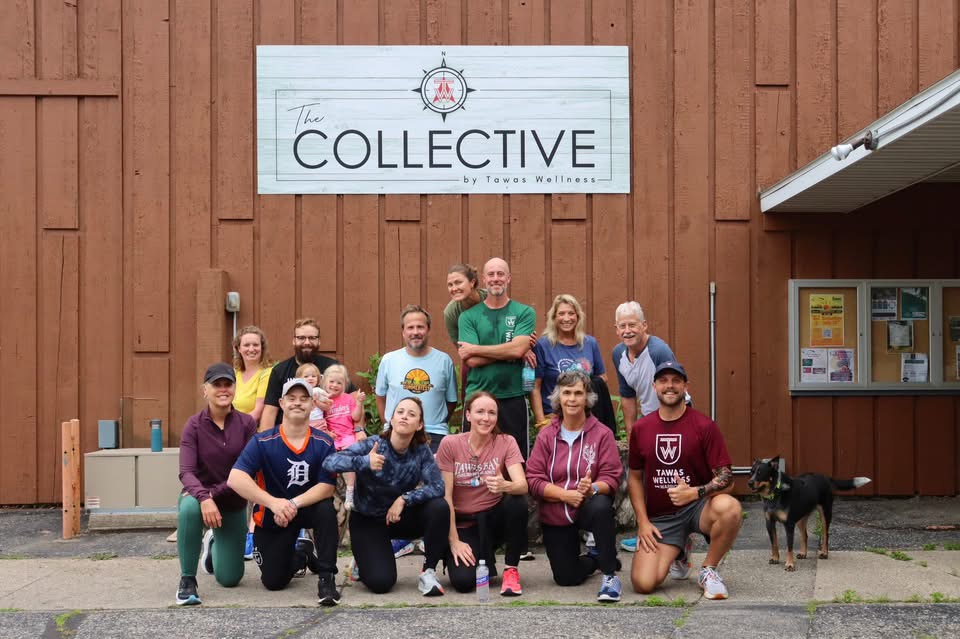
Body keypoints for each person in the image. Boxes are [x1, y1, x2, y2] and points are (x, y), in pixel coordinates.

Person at [627, 361, 741, 600]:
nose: (670, 386)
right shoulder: (641, 428)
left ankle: (708, 570)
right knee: (643, 583)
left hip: (699, 508)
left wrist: (695, 492)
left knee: (729, 508)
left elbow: (727, 479)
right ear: (654, 386)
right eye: (663, 381)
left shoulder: (704, 426)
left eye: (676, 381)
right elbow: (635, 477)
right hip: (662, 517)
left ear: (685, 386)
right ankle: (680, 552)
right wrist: (643, 522)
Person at [227, 378, 341, 606]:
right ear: (281, 403)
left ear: (312, 404)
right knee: (273, 581)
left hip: (305, 508)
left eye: (304, 399)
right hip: (273, 514)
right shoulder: (263, 441)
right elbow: (235, 478)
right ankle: (303, 555)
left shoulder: (323, 442)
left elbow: (327, 487)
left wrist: (292, 504)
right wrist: (273, 503)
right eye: (292, 398)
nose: (297, 403)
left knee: (326, 509)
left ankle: (327, 577)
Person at [323, 397, 450, 596]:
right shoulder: (373, 444)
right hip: (368, 520)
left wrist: (404, 499)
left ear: (419, 425)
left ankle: (428, 572)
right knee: (381, 582)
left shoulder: (421, 451)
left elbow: (438, 487)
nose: (404, 417)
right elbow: (329, 462)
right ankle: (363, 560)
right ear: (391, 419)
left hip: (398, 516)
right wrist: (365, 462)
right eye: (400, 412)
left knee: (439, 507)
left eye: (411, 414)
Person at [526, 369, 624, 602]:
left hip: (588, 505)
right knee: (566, 577)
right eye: (567, 393)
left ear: (587, 397)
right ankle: (595, 559)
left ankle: (610, 576)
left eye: (578, 393)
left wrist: (593, 488)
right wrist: (564, 495)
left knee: (601, 506)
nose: (572, 399)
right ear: (558, 397)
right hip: (557, 511)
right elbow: (533, 479)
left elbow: (612, 476)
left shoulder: (602, 434)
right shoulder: (546, 436)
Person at [175, 362, 257, 606]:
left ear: (234, 389)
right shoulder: (193, 425)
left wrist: (212, 494)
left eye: (227, 384)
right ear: (205, 390)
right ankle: (187, 580)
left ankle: (213, 544)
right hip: (199, 500)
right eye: (216, 384)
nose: (223, 389)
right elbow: (186, 472)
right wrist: (204, 497)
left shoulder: (247, 424)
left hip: (232, 502)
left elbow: (247, 470)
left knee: (230, 578)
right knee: (189, 508)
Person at [436, 391, 528, 596]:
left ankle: (511, 569)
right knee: (463, 582)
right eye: (480, 412)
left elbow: (522, 485)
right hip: (464, 523)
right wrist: (454, 541)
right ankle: (476, 556)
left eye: (491, 413)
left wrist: (505, 485)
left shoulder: (506, 442)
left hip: (493, 519)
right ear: (468, 415)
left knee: (517, 502)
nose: (486, 418)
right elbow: (446, 497)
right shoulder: (450, 444)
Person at [611, 301, 680, 553]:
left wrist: (668, 426)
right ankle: (648, 530)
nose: (627, 330)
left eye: (632, 325)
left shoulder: (659, 350)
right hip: (648, 419)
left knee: (666, 476)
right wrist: (632, 432)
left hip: (672, 417)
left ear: (644, 326)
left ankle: (673, 534)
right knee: (645, 477)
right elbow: (627, 394)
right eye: (622, 326)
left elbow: (673, 387)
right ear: (616, 329)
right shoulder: (618, 353)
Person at [457, 257, 536, 459]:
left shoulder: (524, 312)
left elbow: (518, 350)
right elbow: (471, 361)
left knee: (516, 462)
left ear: (508, 278)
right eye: (491, 274)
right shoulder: (468, 317)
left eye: (500, 274)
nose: (495, 278)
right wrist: (510, 351)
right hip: (478, 397)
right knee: (473, 461)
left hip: (513, 397)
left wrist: (477, 348)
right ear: (483, 279)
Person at [376, 304, 458, 453]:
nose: (415, 332)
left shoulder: (444, 361)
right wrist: (390, 424)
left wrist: (434, 423)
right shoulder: (389, 360)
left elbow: (451, 402)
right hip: (396, 431)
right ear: (403, 332)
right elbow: (381, 398)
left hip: (434, 433)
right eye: (410, 327)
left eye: (420, 327)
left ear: (428, 330)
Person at [531, 294, 607, 431]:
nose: (566, 318)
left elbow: (601, 378)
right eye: (561, 314)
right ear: (554, 317)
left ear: (578, 316)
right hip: (553, 417)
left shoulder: (590, 343)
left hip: (585, 417)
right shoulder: (543, 345)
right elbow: (535, 387)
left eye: (571, 313)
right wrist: (541, 422)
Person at [260, 319, 344, 430]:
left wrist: (358, 429)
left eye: (312, 338)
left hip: (327, 431)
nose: (307, 342)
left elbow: (353, 398)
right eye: (301, 338)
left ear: (319, 341)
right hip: (289, 432)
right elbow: (270, 411)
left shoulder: (332, 367)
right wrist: (265, 439)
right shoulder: (280, 371)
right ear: (294, 341)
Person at [321, 363, 366, 509]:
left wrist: (358, 403)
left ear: (345, 385)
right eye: (331, 381)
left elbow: (355, 417)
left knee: (348, 460)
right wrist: (327, 433)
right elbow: (318, 420)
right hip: (332, 438)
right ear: (324, 382)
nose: (335, 385)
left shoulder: (348, 399)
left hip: (347, 436)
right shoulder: (322, 401)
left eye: (339, 383)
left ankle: (350, 492)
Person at [232, 326, 273, 422]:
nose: (251, 349)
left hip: (250, 428)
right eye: (246, 345)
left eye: (255, 345)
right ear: (239, 348)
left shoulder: (267, 373)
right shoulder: (234, 373)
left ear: (262, 348)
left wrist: (234, 426)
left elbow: (258, 412)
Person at [443, 264, 487, 346]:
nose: (454, 289)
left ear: (472, 282)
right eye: (450, 285)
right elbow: (461, 347)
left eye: (458, 283)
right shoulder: (451, 313)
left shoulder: (491, 298)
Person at [294, 363, 328, 429]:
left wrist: (316, 402)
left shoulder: (318, 391)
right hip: (302, 422)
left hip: (318, 422)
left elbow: (326, 407)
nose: (310, 378)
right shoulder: (298, 392)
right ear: (299, 379)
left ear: (318, 378)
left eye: (313, 376)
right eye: (306, 377)